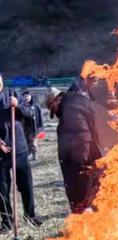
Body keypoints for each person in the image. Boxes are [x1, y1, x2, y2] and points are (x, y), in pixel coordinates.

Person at [48, 77, 103, 214]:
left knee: (85, 201)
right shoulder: (75, 101)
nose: (55, 113)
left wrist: (82, 169)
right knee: (94, 197)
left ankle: (88, 225)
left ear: (57, 100)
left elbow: (81, 136)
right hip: (89, 159)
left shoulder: (69, 110)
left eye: (52, 109)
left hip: (81, 165)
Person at [0, 73, 42, 232]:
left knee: (26, 185)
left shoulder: (13, 94)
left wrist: (17, 105)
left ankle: (30, 215)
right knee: (2, 190)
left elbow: (30, 114)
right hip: (1, 154)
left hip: (19, 149)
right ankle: (6, 221)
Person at [21, 91, 44, 161]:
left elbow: (40, 117)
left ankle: (35, 155)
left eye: (28, 96)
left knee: (33, 142)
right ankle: (28, 154)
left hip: (34, 127)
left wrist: (41, 127)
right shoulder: (21, 106)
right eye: (25, 96)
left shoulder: (36, 106)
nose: (26, 98)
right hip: (25, 127)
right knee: (26, 142)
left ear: (31, 97)